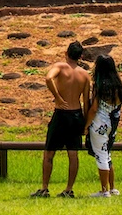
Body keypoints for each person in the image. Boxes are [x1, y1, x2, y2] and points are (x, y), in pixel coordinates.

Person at [31, 41, 91, 198]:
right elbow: (86, 101)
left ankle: (44, 188)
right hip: (76, 114)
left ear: (66, 53)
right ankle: (69, 189)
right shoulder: (85, 74)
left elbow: (48, 78)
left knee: (49, 152)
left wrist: (57, 97)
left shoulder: (60, 66)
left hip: (61, 113)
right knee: (73, 153)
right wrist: (86, 123)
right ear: (80, 57)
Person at [84, 54, 122, 198]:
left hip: (99, 124)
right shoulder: (118, 85)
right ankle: (112, 188)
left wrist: (85, 126)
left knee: (101, 156)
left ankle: (104, 191)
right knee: (107, 155)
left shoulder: (99, 85)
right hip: (113, 124)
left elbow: (94, 109)